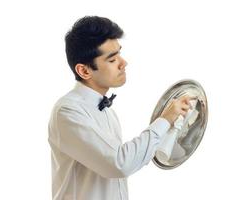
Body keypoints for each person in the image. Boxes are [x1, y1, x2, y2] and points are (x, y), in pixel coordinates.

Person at [48, 16, 193, 200]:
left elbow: (130, 161)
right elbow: (119, 164)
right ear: (84, 71)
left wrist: (174, 124)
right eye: (112, 59)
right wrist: (164, 119)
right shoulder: (67, 111)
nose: (123, 63)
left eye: (119, 54)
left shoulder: (109, 113)